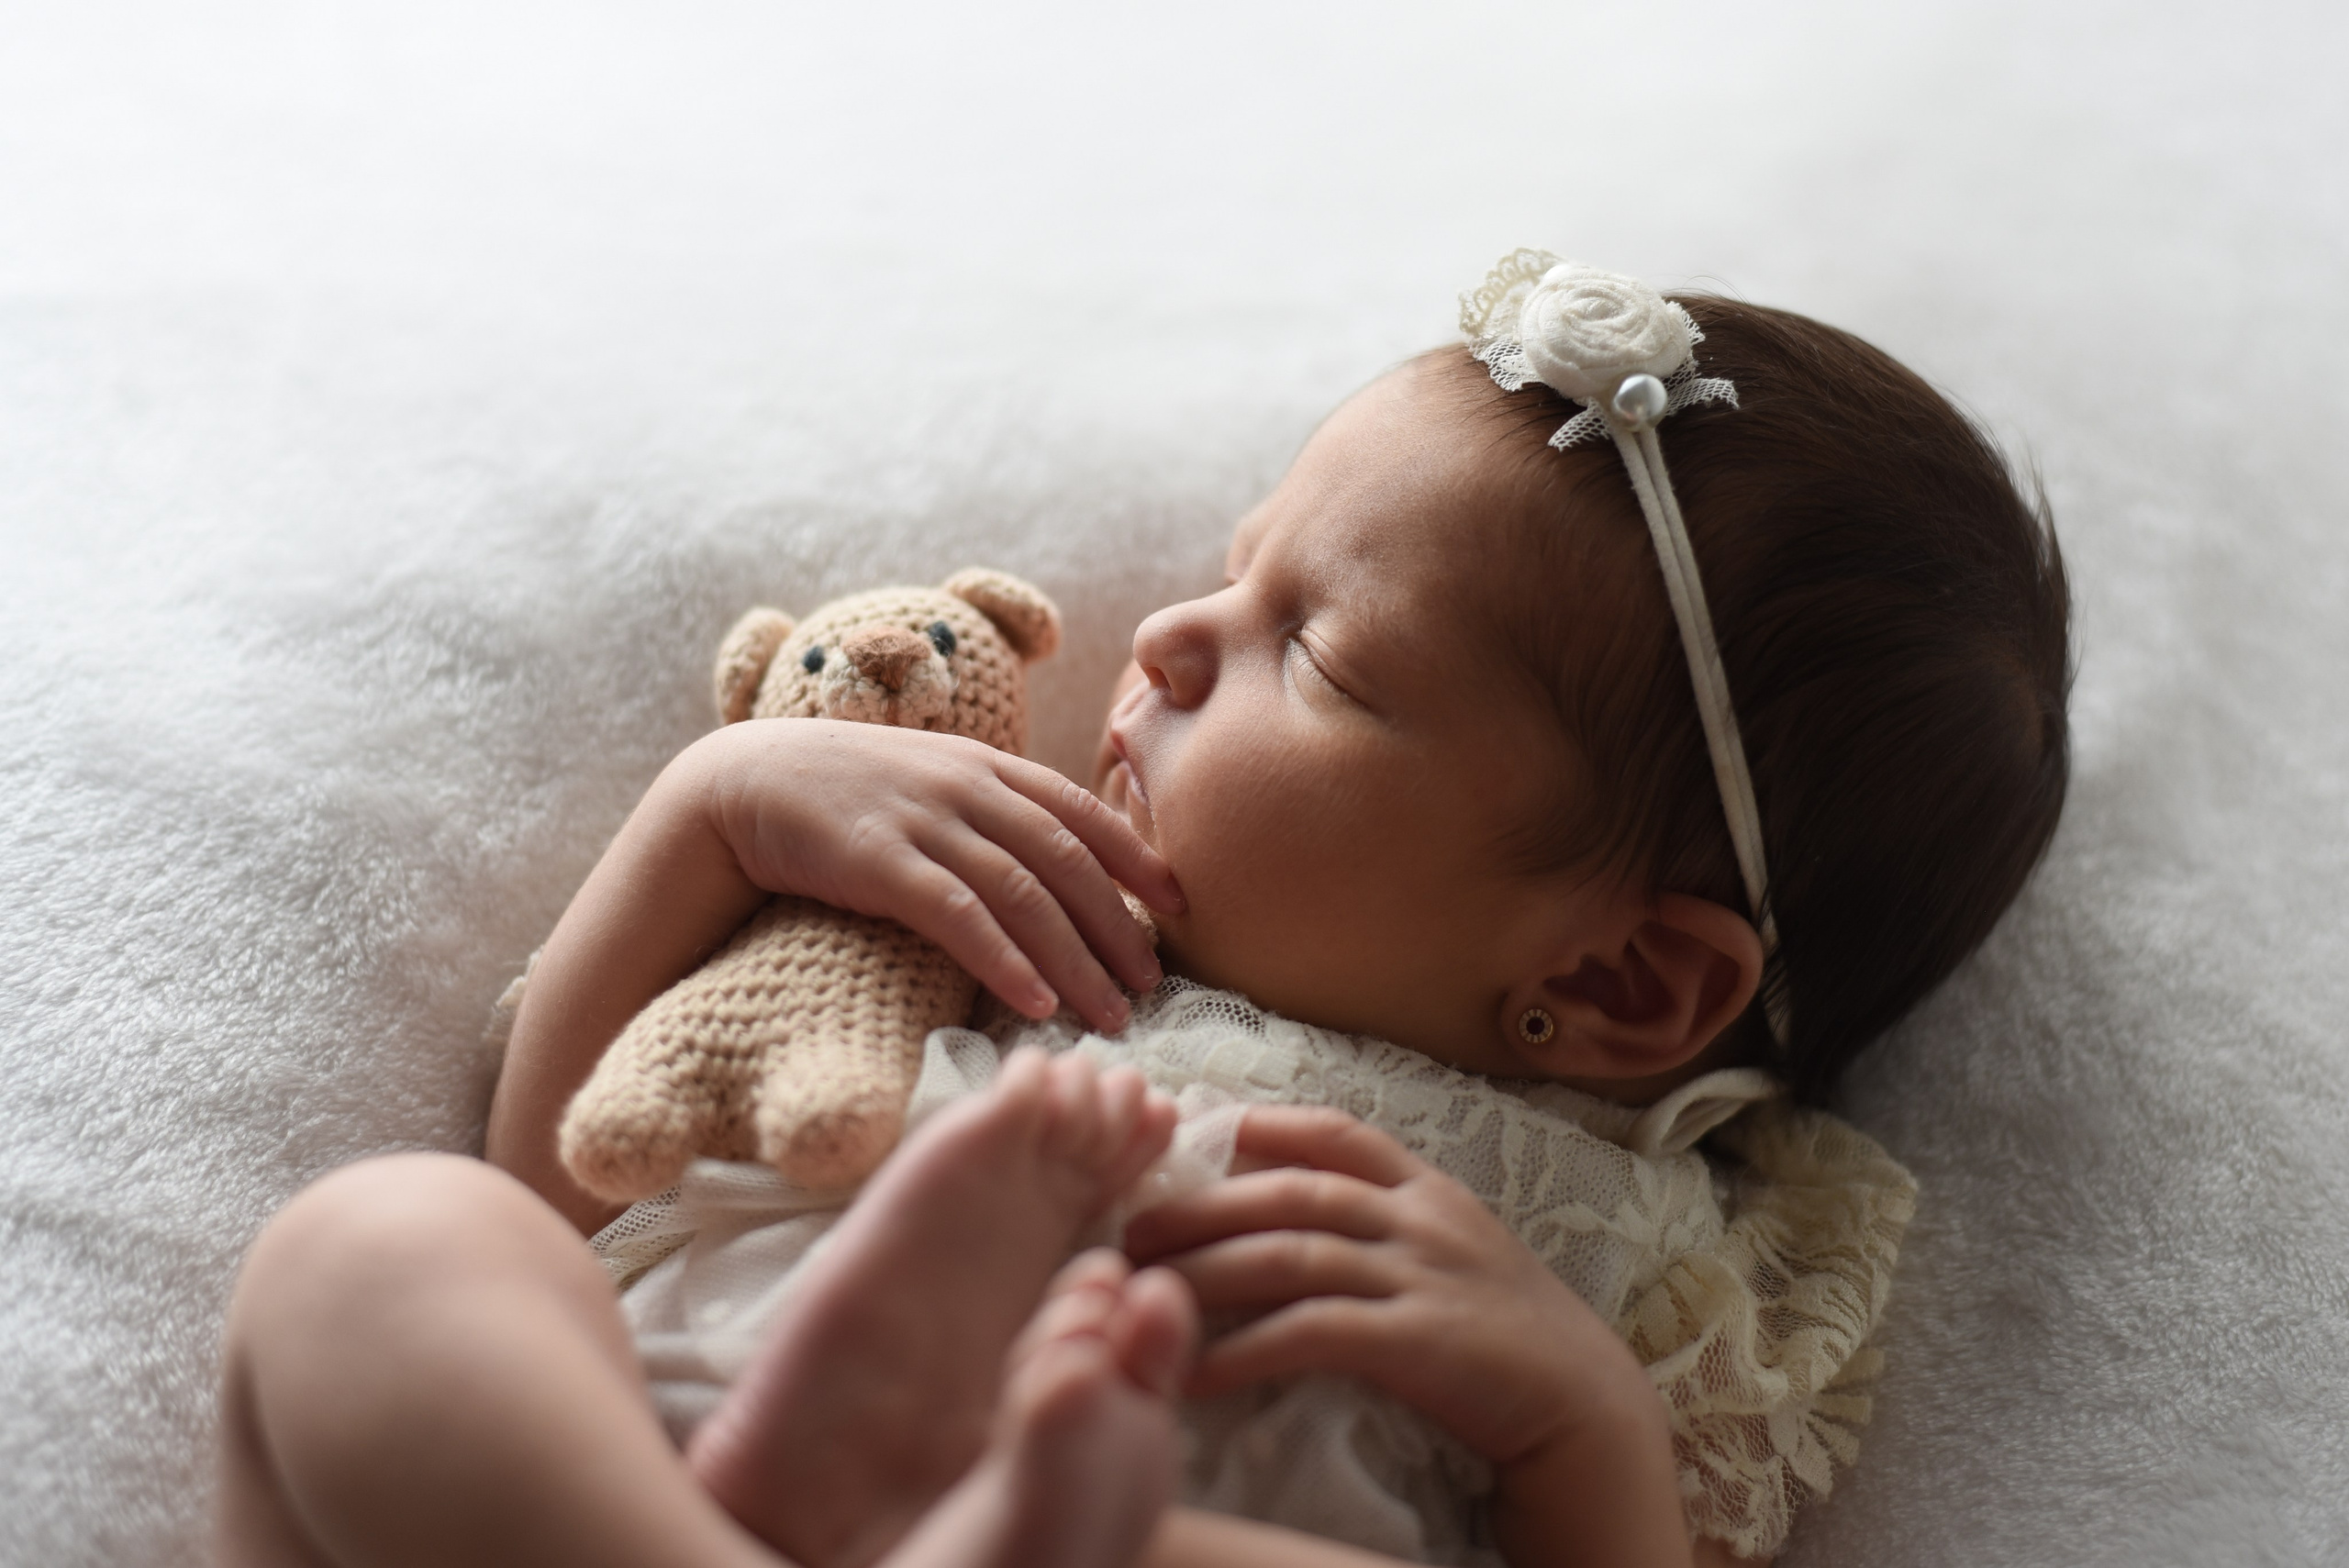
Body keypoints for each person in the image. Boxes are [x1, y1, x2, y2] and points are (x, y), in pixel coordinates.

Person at [217, 257, 2071, 1568]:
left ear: (1614, 976)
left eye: (1316, 654)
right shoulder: (1004, 937)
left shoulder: (1622, 1278)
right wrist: (715, 819)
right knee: (392, 1244)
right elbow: (563, 1175)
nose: (1174, 638)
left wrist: (1575, 1423)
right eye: (1233, 567)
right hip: (626, 1475)